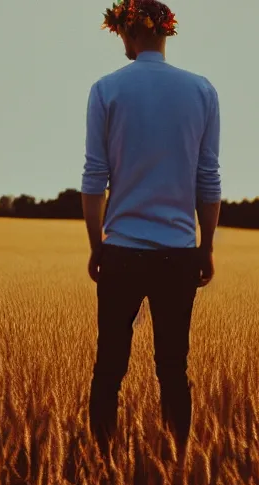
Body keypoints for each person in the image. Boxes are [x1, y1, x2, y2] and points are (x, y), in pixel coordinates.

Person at [81, 0, 221, 459]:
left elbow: (93, 176)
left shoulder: (106, 89)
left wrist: (96, 245)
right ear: (165, 32)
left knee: (108, 369)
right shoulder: (202, 91)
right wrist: (206, 247)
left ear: (129, 32)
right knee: (174, 370)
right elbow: (208, 178)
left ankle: (102, 468)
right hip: (179, 253)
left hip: (120, 250)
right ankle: (177, 467)